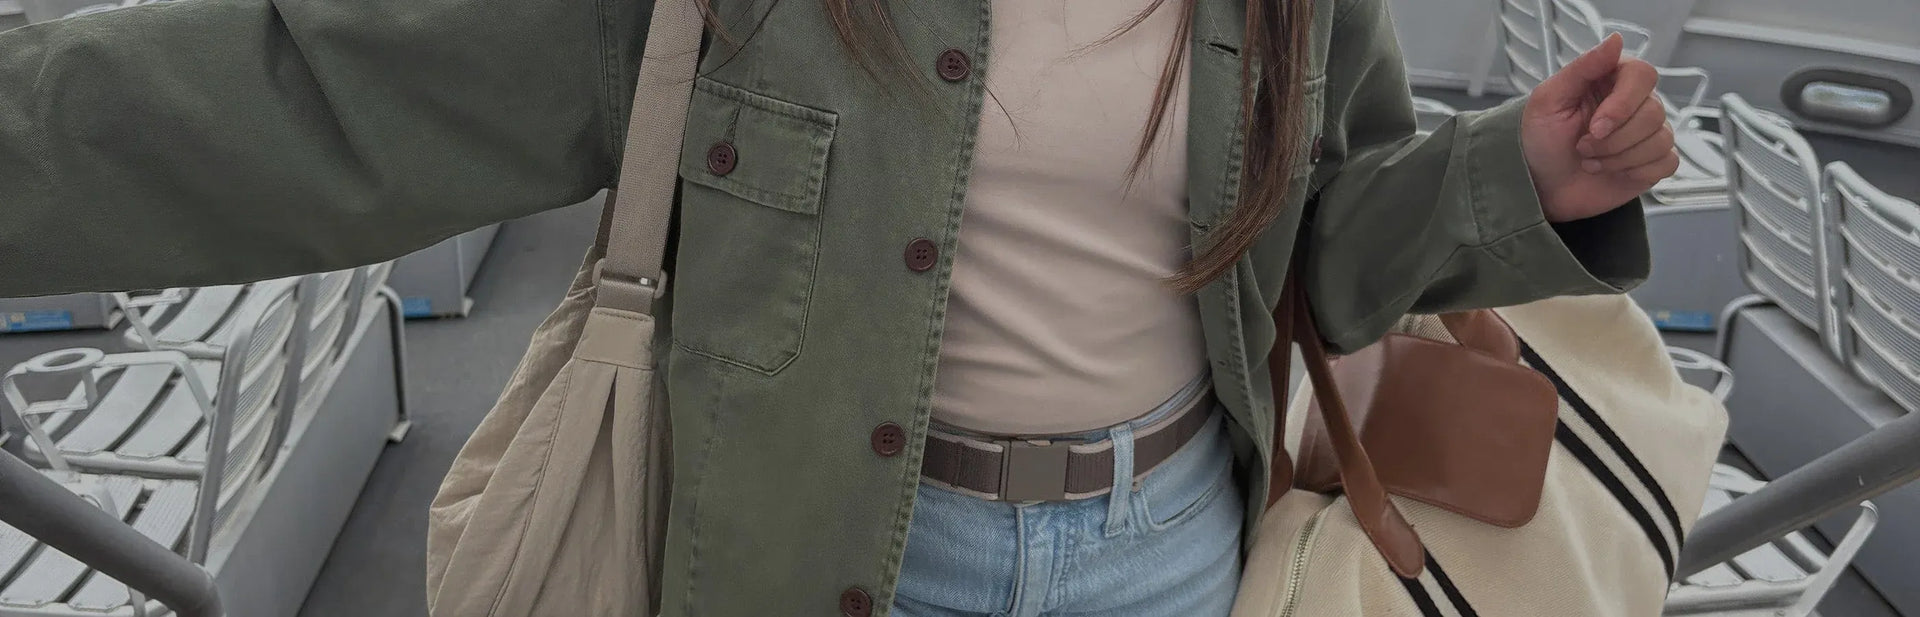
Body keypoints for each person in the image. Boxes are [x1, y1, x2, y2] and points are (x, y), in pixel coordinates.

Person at [0, 0, 1673, 614]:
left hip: (1173, 543)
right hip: (839, 548)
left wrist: (1520, 176)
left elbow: (1314, 249)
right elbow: (320, 90)